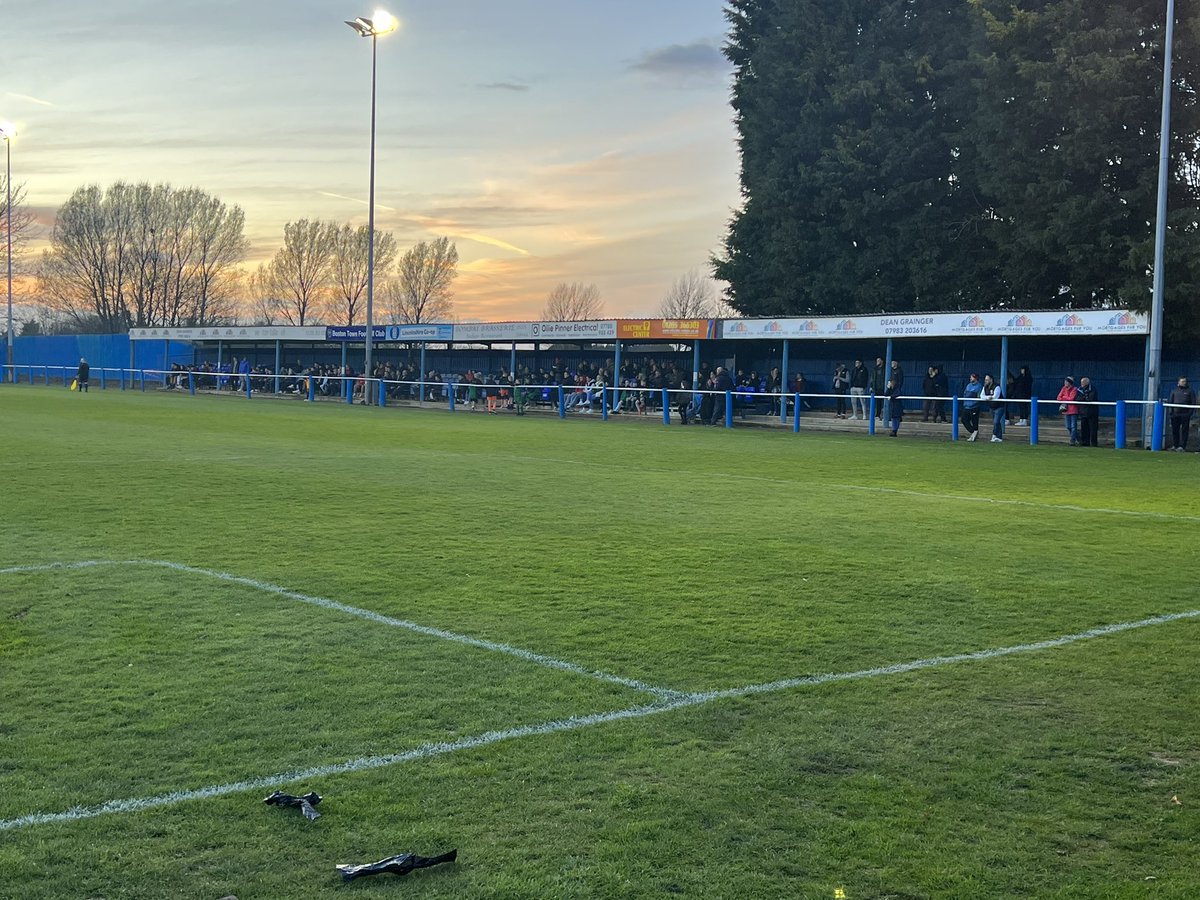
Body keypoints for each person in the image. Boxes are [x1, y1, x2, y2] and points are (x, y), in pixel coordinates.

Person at [1168, 376, 1197, 452]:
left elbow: (1193, 402)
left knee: (1184, 431)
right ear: (1178, 382)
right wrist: (1171, 412)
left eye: (1185, 381)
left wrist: (1189, 413)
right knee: (1175, 430)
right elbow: (1170, 401)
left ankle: (1182, 446)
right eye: (1182, 381)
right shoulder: (1174, 391)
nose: (1184, 383)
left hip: (1185, 414)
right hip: (1175, 414)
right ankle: (1175, 445)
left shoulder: (1190, 391)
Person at [1076, 376, 1100, 447]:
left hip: (1092, 412)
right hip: (1083, 412)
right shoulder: (1079, 389)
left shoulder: (1092, 389)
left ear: (1087, 382)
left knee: (1093, 428)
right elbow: (1077, 398)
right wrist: (1084, 398)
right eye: (1081, 382)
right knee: (1084, 428)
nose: (1082, 383)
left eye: (1083, 382)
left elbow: (1090, 399)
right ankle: (1085, 442)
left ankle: (1093, 443)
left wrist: (1084, 398)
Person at [1057, 376, 1080, 446]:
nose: (1065, 383)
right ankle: (1079, 439)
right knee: (1068, 426)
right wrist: (1065, 398)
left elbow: (1071, 398)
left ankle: (1072, 440)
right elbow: (1058, 397)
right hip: (1066, 410)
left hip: (1073, 410)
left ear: (1070, 383)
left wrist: (1064, 397)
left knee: (1073, 426)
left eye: (1066, 382)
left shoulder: (1075, 389)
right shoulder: (1063, 388)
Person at [982, 373, 1004, 442]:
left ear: (991, 380)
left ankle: (994, 435)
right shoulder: (985, 387)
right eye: (985, 380)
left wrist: (988, 398)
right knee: (997, 422)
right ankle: (999, 437)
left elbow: (995, 397)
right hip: (991, 407)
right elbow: (981, 396)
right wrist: (988, 397)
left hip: (999, 406)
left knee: (996, 421)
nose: (986, 381)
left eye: (987, 379)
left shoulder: (997, 386)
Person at [961, 373, 983, 441]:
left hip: (974, 407)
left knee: (974, 421)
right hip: (967, 406)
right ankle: (973, 432)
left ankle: (974, 433)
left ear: (976, 378)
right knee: (963, 419)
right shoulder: (968, 385)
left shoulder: (979, 386)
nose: (970, 378)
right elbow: (965, 394)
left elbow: (979, 397)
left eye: (972, 377)